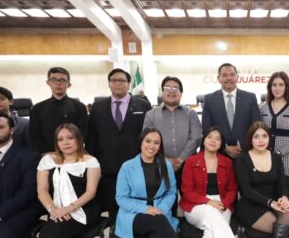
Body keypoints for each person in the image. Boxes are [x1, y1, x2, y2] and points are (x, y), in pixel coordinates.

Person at [7, 124, 101, 238]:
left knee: (52, 231)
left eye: (70, 138)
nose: (65, 142)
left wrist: (69, 208)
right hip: (56, 211)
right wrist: (53, 209)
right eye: (60, 139)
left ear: (78, 139)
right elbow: (41, 190)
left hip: (84, 211)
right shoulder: (47, 161)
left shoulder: (91, 161)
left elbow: (90, 192)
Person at [179, 127, 250, 238]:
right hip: (196, 205)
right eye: (210, 137)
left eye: (217, 139)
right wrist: (208, 202)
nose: (213, 140)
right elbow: (187, 191)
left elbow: (232, 189)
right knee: (211, 214)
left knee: (210, 236)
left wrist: (224, 203)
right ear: (203, 140)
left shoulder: (227, 162)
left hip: (221, 204)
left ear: (221, 144)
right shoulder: (191, 161)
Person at [86, 68, 152, 213]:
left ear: (128, 84)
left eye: (121, 80)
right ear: (109, 84)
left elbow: (149, 136)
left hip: (135, 163)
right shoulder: (97, 107)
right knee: (112, 204)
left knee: (136, 204)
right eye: (113, 80)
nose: (117, 83)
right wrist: (93, 163)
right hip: (107, 165)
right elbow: (91, 137)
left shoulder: (143, 105)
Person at [143, 76, 202, 213]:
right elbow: (147, 141)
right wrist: (166, 160)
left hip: (188, 165)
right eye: (167, 88)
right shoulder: (151, 115)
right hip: (160, 165)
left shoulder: (191, 114)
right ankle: (170, 223)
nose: (171, 91)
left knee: (192, 201)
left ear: (181, 93)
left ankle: (190, 223)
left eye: (175, 88)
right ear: (162, 92)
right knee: (165, 203)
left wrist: (181, 159)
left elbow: (196, 138)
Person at [260, 71, 289, 207]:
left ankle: (288, 217)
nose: (277, 88)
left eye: (281, 85)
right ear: (270, 87)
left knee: (285, 189)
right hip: (265, 156)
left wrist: (279, 153)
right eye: (274, 85)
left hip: (286, 157)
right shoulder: (263, 107)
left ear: (286, 87)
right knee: (267, 189)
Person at [202, 63, 261, 159]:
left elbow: (257, 127)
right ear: (218, 78)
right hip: (218, 155)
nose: (229, 78)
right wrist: (225, 148)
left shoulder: (250, 98)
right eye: (224, 75)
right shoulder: (209, 100)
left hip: (246, 155)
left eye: (232, 74)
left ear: (237, 77)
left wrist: (241, 146)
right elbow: (206, 129)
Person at [28, 67, 88, 154]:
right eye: (53, 79)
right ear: (48, 82)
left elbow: (82, 133)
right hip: (46, 155)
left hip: (73, 154)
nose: (58, 83)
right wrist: (46, 154)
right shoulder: (37, 108)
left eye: (62, 80)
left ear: (69, 84)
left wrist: (70, 151)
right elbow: (34, 136)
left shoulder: (79, 107)